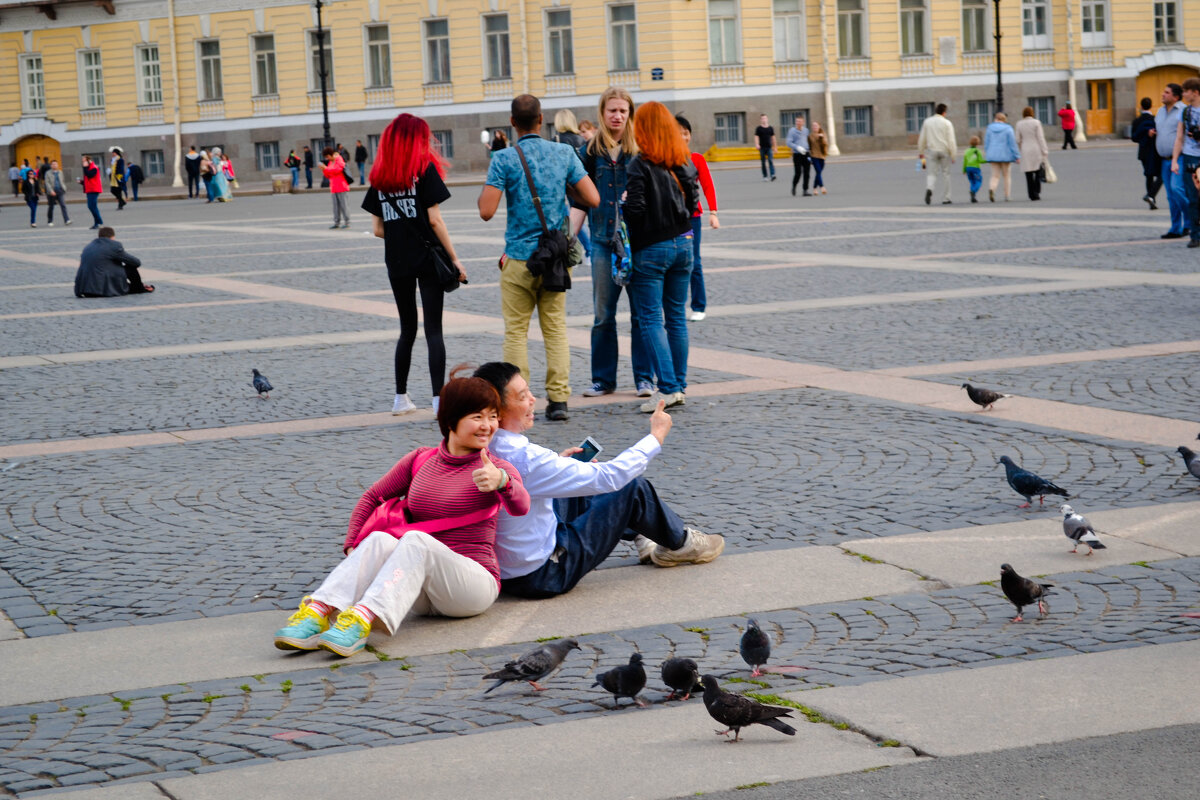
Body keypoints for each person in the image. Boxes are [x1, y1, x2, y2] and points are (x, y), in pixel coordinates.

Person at [272, 373, 529, 656]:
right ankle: (317, 612)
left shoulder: (495, 467)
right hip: (417, 589)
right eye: (477, 417)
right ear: (451, 420)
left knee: (416, 539)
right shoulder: (421, 459)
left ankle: (360, 622)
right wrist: (353, 546)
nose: (487, 426)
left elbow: (521, 506)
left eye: (492, 416)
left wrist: (503, 482)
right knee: (381, 539)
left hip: (471, 587)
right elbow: (372, 496)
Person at [474, 362, 724, 599]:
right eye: (521, 397)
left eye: (529, 391)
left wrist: (560, 463)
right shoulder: (524, 457)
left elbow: (529, 481)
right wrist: (655, 437)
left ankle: (644, 533)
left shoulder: (477, 444)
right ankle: (681, 544)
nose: (532, 400)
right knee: (631, 488)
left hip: (505, 569)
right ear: (496, 411)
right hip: (544, 574)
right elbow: (610, 477)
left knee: (577, 483)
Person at [478, 94, 599, 423]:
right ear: (542, 119)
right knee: (555, 329)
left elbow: (486, 211)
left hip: (518, 258)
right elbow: (593, 197)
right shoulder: (564, 153)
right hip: (555, 257)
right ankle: (558, 401)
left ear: (513, 123)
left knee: (516, 332)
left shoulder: (503, 159)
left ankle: (518, 402)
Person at [362, 113, 467, 415]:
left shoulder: (379, 177)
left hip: (397, 261)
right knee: (434, 329)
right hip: (427, 259)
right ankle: (438, 400)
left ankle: (400, 398)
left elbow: (378, 230)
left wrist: (401, 236)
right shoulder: (423, 170)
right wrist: (455, 258)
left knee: (406, 328)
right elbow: (434, 219)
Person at [569, 87, 654, 401]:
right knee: (603, 314)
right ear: (602, 114)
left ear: (630, 113)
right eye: (612, 111)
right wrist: (568, 239)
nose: (617, 116)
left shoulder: (641, 150)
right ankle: (603, 380)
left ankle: (644, 379)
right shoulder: (590, 152)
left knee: (640, 314)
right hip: (603, 242)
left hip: (638, 244)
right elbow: (578, 200)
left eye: (623, 111)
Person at [624, 101, 700, 412]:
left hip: (652, 248)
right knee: (676, 317)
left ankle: (668, 388)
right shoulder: (681, 159)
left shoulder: (639, 164)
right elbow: (694, 199)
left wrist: (625, 203)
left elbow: (636, 211)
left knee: (651, 318)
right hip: (684, 243)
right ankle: (678, 385)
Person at [675, 114, 719, 322]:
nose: (683, 137)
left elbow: (708, 186)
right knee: (674, 261)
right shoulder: (664, 159)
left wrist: (714, 213)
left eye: (686, 133)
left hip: (692, 218)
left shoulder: (697, 159)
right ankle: (675, 305)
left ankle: (699, 306)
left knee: (693, 260)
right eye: (678, 133)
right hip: (670, 219)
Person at [553, 109, 590, 265]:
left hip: (561, 185)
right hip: (581, 183)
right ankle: (589, 250)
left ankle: (572, 249)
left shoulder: (555, 140)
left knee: (568, 219)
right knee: (579, 216)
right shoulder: (581, 140)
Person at [74, 227, 154, 297]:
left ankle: (136, 287)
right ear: (112, 237)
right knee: (131, 267)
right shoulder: (113, 245)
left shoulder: (89, 246)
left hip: (85, 289)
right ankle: (139, 288)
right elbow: (136, 262)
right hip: (103, 288)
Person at [1170, 77, 1200, 249]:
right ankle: (1196, 235)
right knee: (1192, 197)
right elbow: (1179, 137)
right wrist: (1175, 160)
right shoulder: (1185, 112)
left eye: (1186, 91)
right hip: (1190, 157)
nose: (1183, 94)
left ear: (1195, 92)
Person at [1155, 83, 1188, 239]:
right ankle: (1176, 228)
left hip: (1179, 158)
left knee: (1177, 190)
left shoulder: (1183, 111)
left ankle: (1191, 220)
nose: (1163, 94)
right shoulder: (1160, 111)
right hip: (1164, 160)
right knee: (1170, 195)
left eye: (1166, 92)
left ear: (1175, 97)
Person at [918, 103, 957, 205]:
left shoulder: (927, 122)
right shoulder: (947, 123)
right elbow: (951, 140)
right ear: (944, 112)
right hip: (944, 151)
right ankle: (946, 198)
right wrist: (953, 154)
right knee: (946, 174)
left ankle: (929, 188)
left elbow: (922, 138)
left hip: (932, 151)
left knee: (931, 173)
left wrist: (921, 151)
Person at [1131, 97, 1162, 211]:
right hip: (1155, 150)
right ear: (1151, 106)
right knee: (1160, 174)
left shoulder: (1137, 121)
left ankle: (1151, 198)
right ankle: (1151, 195)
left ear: (1141, 106)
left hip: (1144, 151)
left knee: (1148, 175)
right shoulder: (1155, 119)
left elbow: (1134, 138)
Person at [984, 111, 1020, 202]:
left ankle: (992, 189)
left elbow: (986, 143)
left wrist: (988, 152)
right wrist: (1017, 155)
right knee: (1006, 175)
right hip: (1005, 155)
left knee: (995, 175)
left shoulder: (989, 128)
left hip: (993, 154)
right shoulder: (1008, 129)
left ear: (995, 118)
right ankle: (1007, 195)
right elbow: (1012, 144)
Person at [1015, 106, 1048, 201]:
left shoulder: (1019, 124)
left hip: (1025, 148)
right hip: (1036, 148)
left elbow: (1017, 139)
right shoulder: (1036, 123)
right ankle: (1037, 192)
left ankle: (1031, 194)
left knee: (1028, 174)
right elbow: (1040, 138)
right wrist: (1044, 150)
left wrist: (1021, 147)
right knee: (1038, 171)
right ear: (1032, 113)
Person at [323, 146, 350, 228]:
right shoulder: (330, 162)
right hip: (334, 187)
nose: (327, 159)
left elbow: (338, 169)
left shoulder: (339, 159)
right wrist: (324, 169)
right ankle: (336, 222)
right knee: (335, 207)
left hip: (341, 186)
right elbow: (328, 175)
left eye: (327, 157)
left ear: (331, 155)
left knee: (344, 205)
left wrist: (326, 169)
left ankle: (347, 222)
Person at [785, 115, 810, 196]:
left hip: (805, 153)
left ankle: (805, 190)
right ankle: (794, 186)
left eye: (799, 121)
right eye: (797, 121)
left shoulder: (806, 130)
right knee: (798, 173)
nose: (798, 123)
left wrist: (808, 150)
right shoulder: (792, 131)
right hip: (797, 154)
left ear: (803, 122)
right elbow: (788, 143)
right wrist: (797, 147)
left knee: (807, 173)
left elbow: (807, 141)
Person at [43, 159, 70, 226]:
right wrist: (51, 191)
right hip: (52, 191)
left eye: (56, 164)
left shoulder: (60, 172)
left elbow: (62, 181)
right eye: (53, 164)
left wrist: (64, 188)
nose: (55, 165)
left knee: (63, 205)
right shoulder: (47, 173)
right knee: (51, 207)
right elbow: (47, 183)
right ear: (51, 165)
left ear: (57, 165)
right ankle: (50, 221)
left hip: (60, 191)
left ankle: (66, 220)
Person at [79, 155, 104, 228]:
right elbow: (89, 180)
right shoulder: (89, 168)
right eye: (82, 161)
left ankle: (99, 221)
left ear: (88, 161)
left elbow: (90, 175)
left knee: (91, 206)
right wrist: (81, 182)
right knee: (93, 206)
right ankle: (97, 223)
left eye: (84, 161)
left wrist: (85, 167)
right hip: (90, 189)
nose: (83, 162)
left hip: (94, 190)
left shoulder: (94, 168)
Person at [962, 135, 985, 203]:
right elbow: (980, 160)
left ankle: (973, 196)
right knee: (978, 181)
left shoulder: (967, 151)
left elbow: (965, 161)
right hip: (975, 168)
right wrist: (988, 161)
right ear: (978, 143)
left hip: (968, 168)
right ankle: (973, 191)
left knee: (972, 182)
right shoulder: (977, 151)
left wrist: (964, 170)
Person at [754, 113, 776, 182]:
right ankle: (765, 176)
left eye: (765, 118)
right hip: (762, 148)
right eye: (762, 118)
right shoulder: (758, 128)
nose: (764, 120)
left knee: (770, 160)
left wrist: (775, 147)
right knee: (763, 162)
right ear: (760, 120)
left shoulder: (770, 128)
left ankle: (772, 175)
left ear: (767, 119)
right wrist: (757, 144)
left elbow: (773, 138)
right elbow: (756, 137)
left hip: (769, 147)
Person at [809, 121, 829, 195]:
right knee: (818, 171)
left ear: (819, 126)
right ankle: (822, 187)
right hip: (814, 156)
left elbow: (826, 144)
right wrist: (817, 137)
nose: (814, 127)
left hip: (822, 156)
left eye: (816, 126)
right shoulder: (810, 136)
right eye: (813, 126)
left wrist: (822, 138)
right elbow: (811, 144)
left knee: (819, 172)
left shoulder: (823, 134)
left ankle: (814, 188)